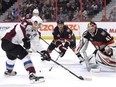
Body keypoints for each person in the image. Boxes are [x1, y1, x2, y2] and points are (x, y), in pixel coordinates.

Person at [1, 9, 51, 83]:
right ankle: (32, 76)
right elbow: (20, 29)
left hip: (8, 44)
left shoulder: (35, 33)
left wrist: (44, 52)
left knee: (12, 58)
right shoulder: (26, 24)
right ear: (35, 22)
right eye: (39, 24)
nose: (39, 27)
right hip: (8, 42)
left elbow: (36, 44)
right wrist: (24, 39)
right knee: (25, 56)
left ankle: (8, 71)